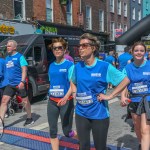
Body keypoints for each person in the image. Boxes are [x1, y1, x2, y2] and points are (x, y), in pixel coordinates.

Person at [71, 33, 130, 150]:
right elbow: (72, 81)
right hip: (81, 113)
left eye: (84, 45)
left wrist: (110, 95)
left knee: (100, 147)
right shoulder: (78, 66)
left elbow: (125, 80)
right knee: (83, 146)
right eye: (80, 46)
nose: (80, 48)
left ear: (93, 48)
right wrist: (74, 93)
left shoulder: (104, 66)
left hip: (99, 114)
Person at [47, 37, 77, 150]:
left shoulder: (69, 65)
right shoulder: (51, 65)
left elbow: (72, 84)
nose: (57, 50)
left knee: (67, 131)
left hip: (66, 101)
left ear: (64, 50)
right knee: (53, 130)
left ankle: (82, 140)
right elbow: (52, 82)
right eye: (55, 48)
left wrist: (65, 97)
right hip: (52, 102)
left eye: (60, 47)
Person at [120, 42, 150, 150]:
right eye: (136, 50)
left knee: (145, 129)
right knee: (137, 127)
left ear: (145, 53)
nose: (139, 52)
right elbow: (124, 84)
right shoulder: (127, 68)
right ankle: (142, 144)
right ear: (132, 52)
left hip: (147, 100)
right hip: (133, 99)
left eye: (142, 50)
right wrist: (123, 96)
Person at [0, 40, 34, 126]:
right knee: (4, 101)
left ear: (14, 47)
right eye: (7, 46)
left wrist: (22, 81)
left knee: (25, 101)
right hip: (10, 84)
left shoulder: (20, 57)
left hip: (19, 83)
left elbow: (24, 69)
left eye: (9, 46)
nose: (7, 47)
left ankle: (29, 118)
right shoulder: (7, 58)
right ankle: (1, 121)